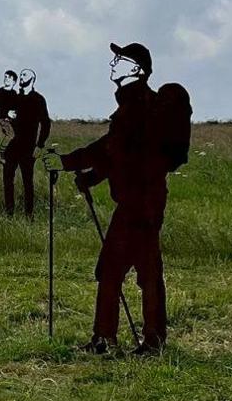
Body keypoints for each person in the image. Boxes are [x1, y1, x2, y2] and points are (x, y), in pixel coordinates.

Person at [57, 43, 187, 355]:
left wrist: (65, 162)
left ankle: (111, 339)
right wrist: (91, 177)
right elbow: (122, 155)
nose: (113, 63)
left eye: (121, 59)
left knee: (117, 268)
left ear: (137, 70)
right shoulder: (135, 105)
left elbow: (110, 149)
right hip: (145, 200)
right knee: (143, 269)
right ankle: (146, 340)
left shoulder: (137, 106)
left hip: (138, 203)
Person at [0, 68, 50, 218]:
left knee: (28, 183)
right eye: (20, 75)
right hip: (12, 147)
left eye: (24, 75)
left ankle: (29, 215)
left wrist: (40, 145)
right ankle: (9, 214)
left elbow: (46, 123)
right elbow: (1, 114)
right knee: (8, 181)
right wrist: (5, 114)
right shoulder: (14, 98)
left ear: (32, 79)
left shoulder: (38, 99)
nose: (21, 77)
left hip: (29, 148)